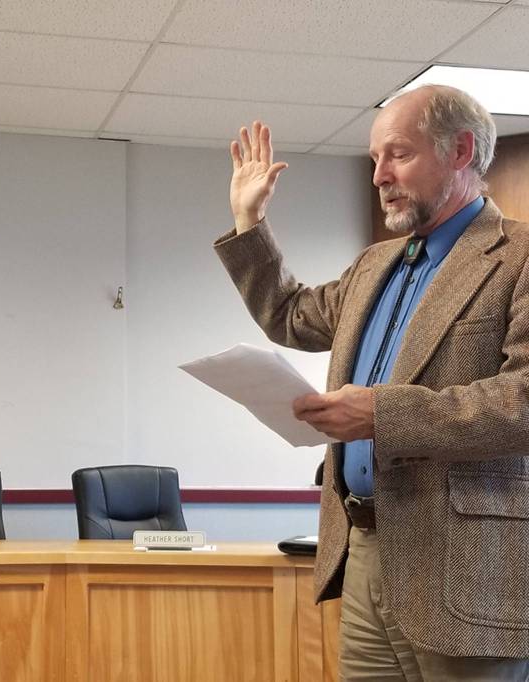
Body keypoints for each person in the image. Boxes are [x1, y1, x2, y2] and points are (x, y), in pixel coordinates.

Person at [215, 85, 529, 680]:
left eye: (399, 154)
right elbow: (290, 314)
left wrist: (382, 415)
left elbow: (524, 401)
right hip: (361, 546)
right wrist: (248, 221)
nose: (380, 175)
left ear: (461, 151)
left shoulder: (519, 257)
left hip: (468, 564)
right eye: (374, 160)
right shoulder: (374, 265)